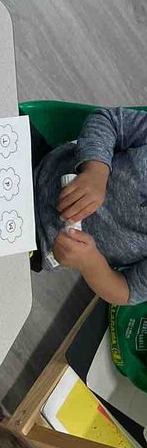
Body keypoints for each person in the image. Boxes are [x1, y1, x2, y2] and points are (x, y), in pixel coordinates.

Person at [34, 107, 147, 304]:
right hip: (37, 163)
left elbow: (127, 291)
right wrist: (96, 171)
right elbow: (108, 120)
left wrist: (91, 263)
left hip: (36, 241)